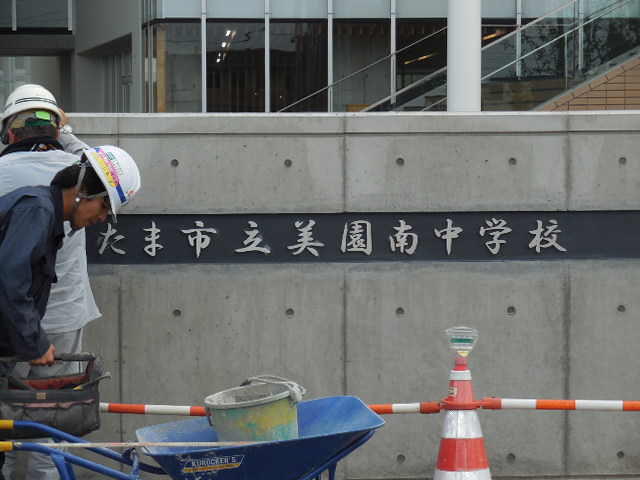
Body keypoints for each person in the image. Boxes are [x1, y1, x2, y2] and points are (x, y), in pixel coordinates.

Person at [0, 145, 140, 480]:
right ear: (82, 189)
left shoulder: (44, 214)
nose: (103, 218)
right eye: (105, 205)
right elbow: (10, 277)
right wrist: (34, 343)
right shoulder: (36, 210)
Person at [0, 84, 99, 480]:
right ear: (58, 131)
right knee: (52, 419)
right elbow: (110, 172)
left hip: (6, 322)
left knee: (3, 413)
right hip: (61, 317)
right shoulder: (83, 176)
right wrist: (65, 130)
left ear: (8, 133)